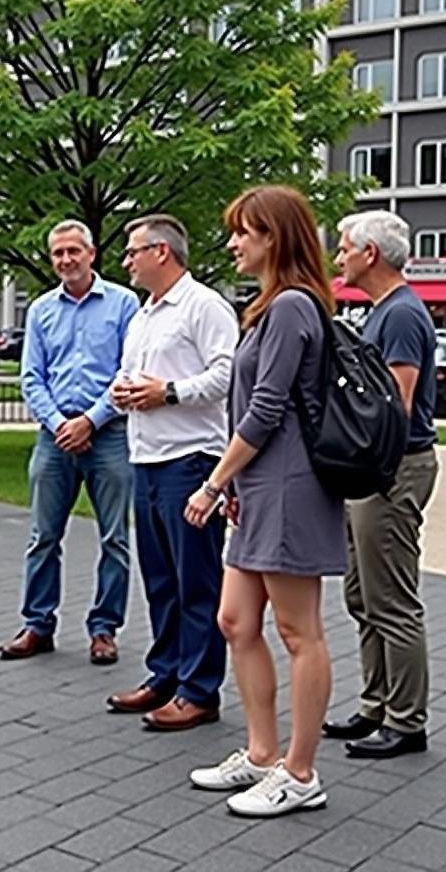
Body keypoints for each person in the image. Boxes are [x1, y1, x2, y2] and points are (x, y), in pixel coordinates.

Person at [184, 185, 346, 818]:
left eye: (243, 233)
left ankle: (300, 772)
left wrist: (215, 481)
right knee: (235, 621)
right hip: (263, 487)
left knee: (298, 631)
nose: (232, 243)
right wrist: (237, 485)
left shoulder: (290, 309)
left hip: (289, 486)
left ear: (274, 237)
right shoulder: (268, 307)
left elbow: (266, 410)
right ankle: (260, 753)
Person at [107, 215, 237, 731]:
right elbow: (128, 371)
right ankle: (165, 675)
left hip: (190, 459)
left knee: (197, 581)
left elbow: (227, 373)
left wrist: (171, 392)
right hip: (146, 459)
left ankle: (200, 690)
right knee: (160, 579)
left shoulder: (204, 306)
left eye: (133, 251)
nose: (127, 261)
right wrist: (123, 390)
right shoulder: (144, 315)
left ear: (162, 252)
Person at [323, 211, 439, 758]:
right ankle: (376, 704)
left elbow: (395, 406)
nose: (338, 255)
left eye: (345, 247)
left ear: (370, 253)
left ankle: (406, 720)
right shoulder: (380, 313)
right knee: (362, 594)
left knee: (391, 598)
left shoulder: (399, 317)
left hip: (392, 471)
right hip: (372, 473)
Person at [0, 219, 138, 663]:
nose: (65, 261)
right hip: (53, 438)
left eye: (73, 251)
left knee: (114, 538)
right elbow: (31, 378)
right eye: (58, 254)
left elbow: (127, 373)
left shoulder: (124, 303)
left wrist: (91, 422)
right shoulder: (40, 310)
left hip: (110, 435)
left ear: (92, 253)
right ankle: (38, 624)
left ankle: (104, 628)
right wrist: (61, 423)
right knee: (43, 536)